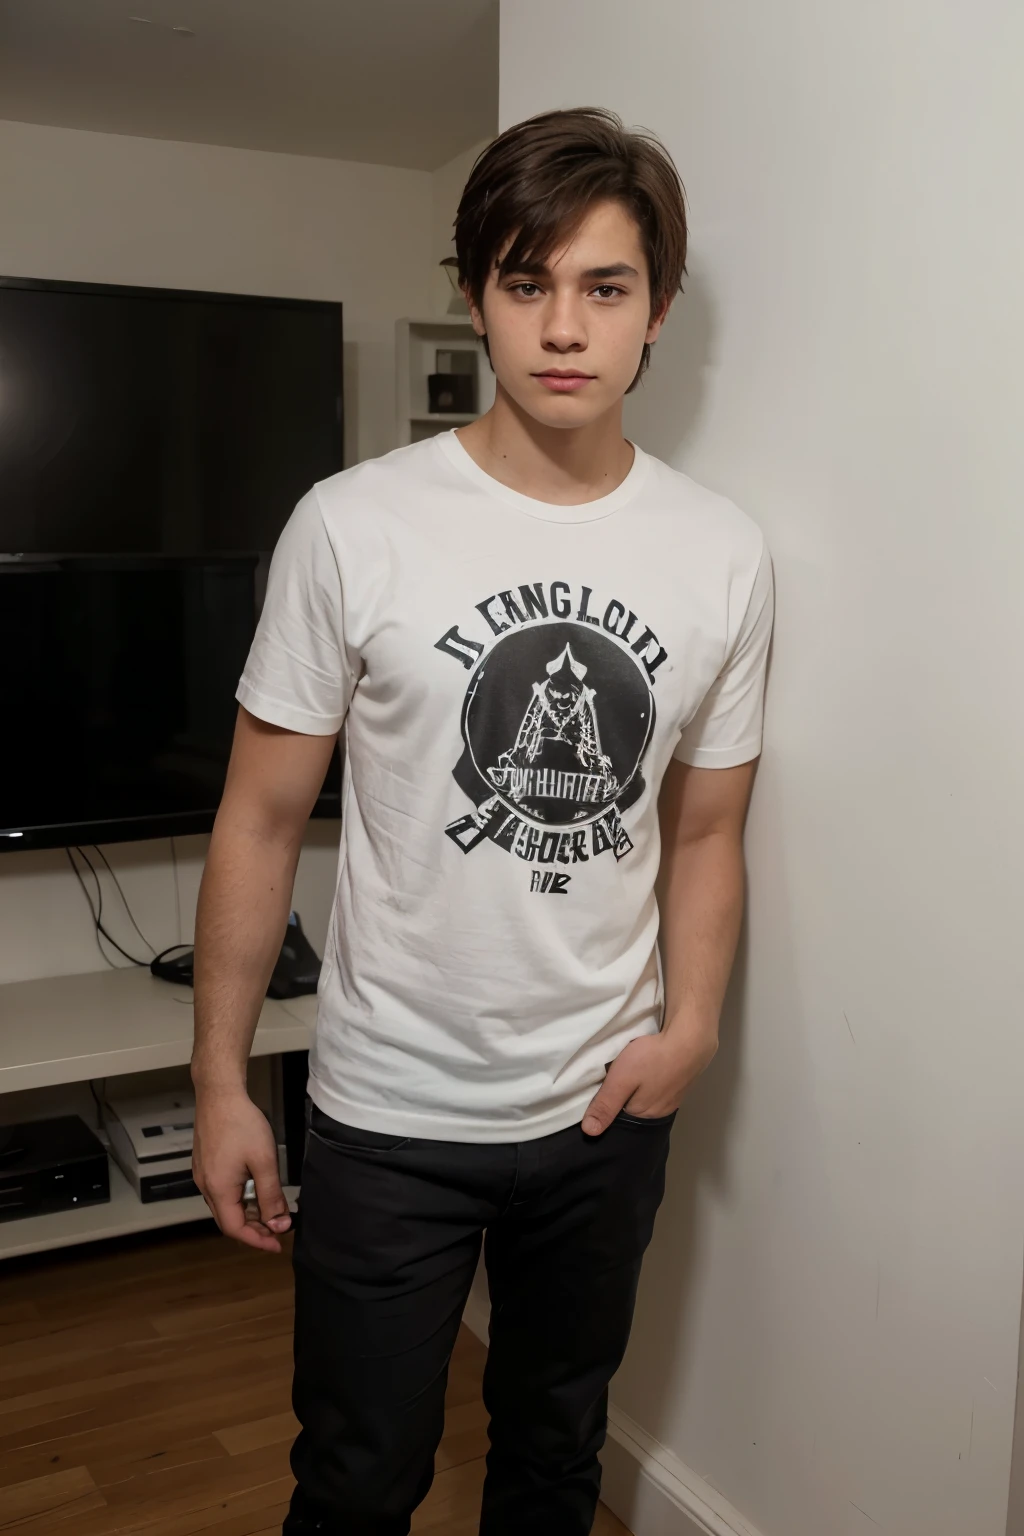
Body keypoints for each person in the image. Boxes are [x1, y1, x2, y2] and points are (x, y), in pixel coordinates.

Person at [190, 105, 774, 1536]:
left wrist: (689, 1026)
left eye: (604, 287)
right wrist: (217, 1082)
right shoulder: (352, 525)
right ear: (475, 295)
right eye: (527, 283)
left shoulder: (723, 554)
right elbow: (259, 823)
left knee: (554, 1459)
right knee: (354, 1479)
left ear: (658, 313)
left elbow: (705, 833)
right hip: (389, 1116)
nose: (563, 328)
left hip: (601, 1113)